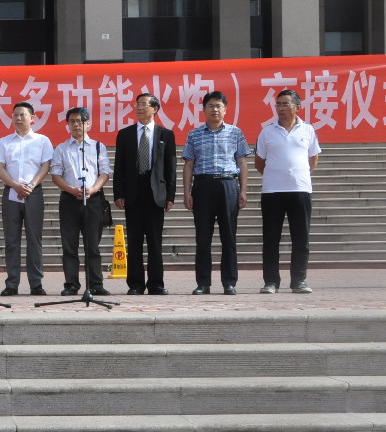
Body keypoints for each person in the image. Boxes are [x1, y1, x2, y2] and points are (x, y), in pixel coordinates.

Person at [182, 90, 252, 295]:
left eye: (218, 106)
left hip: (228, 185)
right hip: (202, 186)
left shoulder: (235, 132)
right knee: (203, 237)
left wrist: (243, 190)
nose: (215, 109)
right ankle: (203, 283)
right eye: (211, 105)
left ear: (225, 110)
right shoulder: (194, 134)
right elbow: (188, 164)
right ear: (204, 110)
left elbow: (242, 162)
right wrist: (187, 192)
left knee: (228, 236)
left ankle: (229, 282)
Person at [255, 89, 322, 294]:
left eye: (286, 104)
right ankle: (271, 281)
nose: (281, 108)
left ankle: (299, 280)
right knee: (271, 238)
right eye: (279, 104)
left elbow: (313, 159)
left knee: (301, 238)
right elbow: (259, 162)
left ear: (297, 107)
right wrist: (278, 173)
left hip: (300, 190)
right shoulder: (267, 132)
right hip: (273, 191)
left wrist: (297, 174)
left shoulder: (308, 130)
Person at [112, 93, 175, 295]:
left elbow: (170, 168)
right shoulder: (125, 134)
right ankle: (136, 284)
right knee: (135, 241)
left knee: (155, 241)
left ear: (155, 109)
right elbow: (119, 167)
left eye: (143, 105)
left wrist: (170, 196)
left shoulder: (166, 134)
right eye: (137, 105)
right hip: (133, 192)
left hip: (156, 192)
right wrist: (118, 193)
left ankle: (156, 283)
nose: (139, 108)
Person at [50, 107, 111, 297]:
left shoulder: (98, 146)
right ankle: (71, 284)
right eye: (73, 121)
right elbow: (56, 174)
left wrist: (94, 189)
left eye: (81, 121)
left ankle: (95, 284)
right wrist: (71, 189)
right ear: (68, 125)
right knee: (70, 245)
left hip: (93, 199)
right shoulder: (61, 148)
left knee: (93, 245)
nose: (77, 125)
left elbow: (105, 172)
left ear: (89, 123)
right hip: (69, 199)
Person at [0, 102, 52, 296]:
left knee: (34, 239)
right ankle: (12, 283)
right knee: (12, 240)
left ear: (32, 118)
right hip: (11, 192)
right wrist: (15, 185)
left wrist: (31, 185)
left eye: (22, 115)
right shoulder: (4, 142)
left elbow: (45, 166)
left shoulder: (42, 140)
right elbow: (0, 168)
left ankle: (36, 283)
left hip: (33, 192)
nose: (18, 118)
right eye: (15, 115)